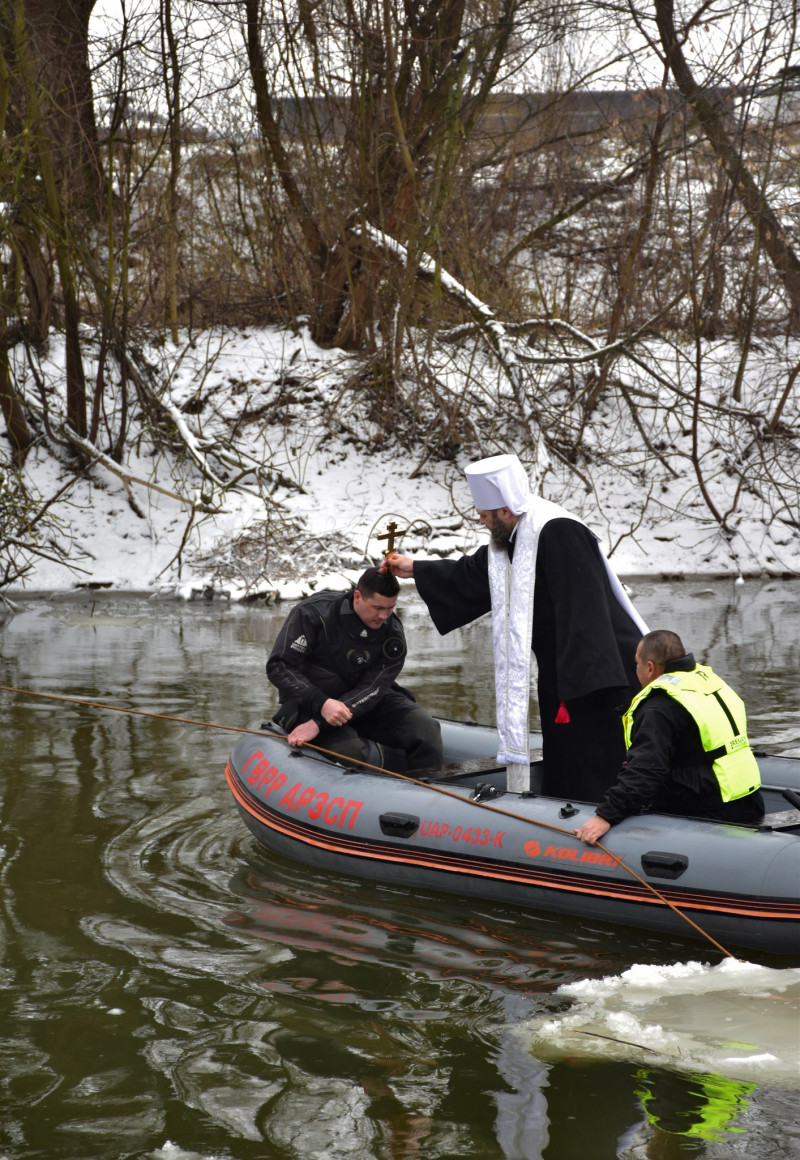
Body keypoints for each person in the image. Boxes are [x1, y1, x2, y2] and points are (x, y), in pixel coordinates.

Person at [383, 452, 648, 799]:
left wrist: (579, 684)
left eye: (483, 515)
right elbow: (475, 574)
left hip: (599, 671)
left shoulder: (557, 530)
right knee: (567, 756)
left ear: (505, 511)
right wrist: (415, 568)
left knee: (595, 755)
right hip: (563, 671)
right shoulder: (513, 535)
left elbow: (585, 608)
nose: (480, 521)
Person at [574, 629, 764, 845]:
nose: (636, 669)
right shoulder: (708, 681)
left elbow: (646, 770)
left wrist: (606, 816)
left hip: (706, 811)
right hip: (747, 801)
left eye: (636, 664)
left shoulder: (659, 706)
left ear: (650, 667)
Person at [266, 567, 442, 773]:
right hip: (310, 701)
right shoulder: (313, 613)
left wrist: (319, 723)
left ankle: (429, 795)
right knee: (349, 751)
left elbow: (373, 688)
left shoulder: (392, 635)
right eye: (378, 607)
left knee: (425, 727)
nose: (384, 616)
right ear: (357, 597)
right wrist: (321, 704)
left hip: (364, 702)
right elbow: (279, 666)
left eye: (391, 608)